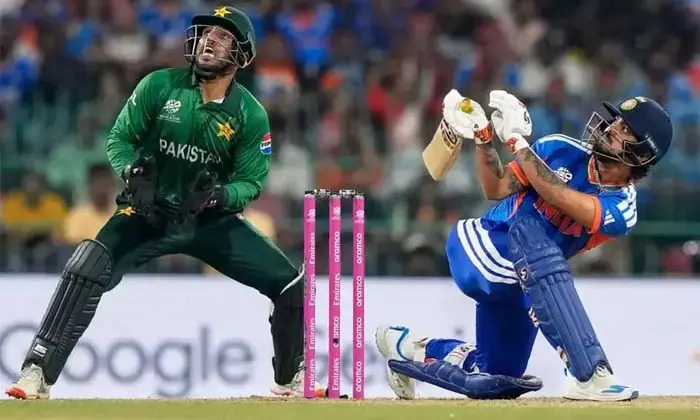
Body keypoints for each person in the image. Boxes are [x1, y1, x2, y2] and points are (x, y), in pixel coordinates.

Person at [6, 6, 317, 400]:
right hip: (147, 212)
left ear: (241, 55)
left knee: (289, 283)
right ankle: (36, 372)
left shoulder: (250, 114)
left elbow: (251, 182)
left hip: (209, 220)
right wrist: (131, 171)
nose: (209, 41)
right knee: (87, 266)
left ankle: (290, 380)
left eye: (222, 37)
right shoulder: (159, 85)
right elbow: (120, 140)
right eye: (206, 33)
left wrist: (221, 195)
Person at [375, 90, 673, 401]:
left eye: (625, 129)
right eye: (616, 121)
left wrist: (517, 141)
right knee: (529, 231)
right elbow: (496, 187)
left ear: (642, 154)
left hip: (528, 280)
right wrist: (483, 138)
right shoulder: (560, 148)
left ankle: (407, 347)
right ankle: (588, 374)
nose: (612, 127)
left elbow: (560, 196)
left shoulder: (623, 206)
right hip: (483, 244)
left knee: (497, 374)